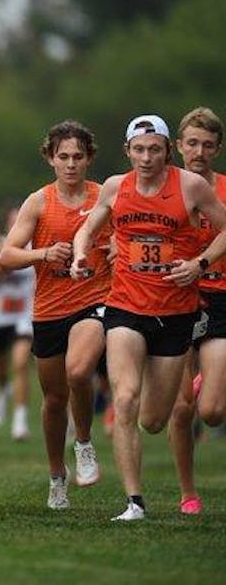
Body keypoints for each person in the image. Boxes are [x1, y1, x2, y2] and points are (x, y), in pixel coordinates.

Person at [72, 114, 226, 521]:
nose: (146, 157)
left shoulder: (190, 186)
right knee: (124, 398)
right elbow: (87, 229)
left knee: (154, 419)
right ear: (127, 152)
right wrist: (78, 253)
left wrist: (200, 262)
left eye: (154, 149)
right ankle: (134, 502)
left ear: (166, 151)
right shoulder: (115, 187)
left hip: (176, 311)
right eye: (138, 150)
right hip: (125, 305)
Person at [0, 120, 110, 509]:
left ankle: (83, 443)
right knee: (53, 400)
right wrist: (42, 254)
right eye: (63, 156)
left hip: (93, 299)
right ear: (50, 158)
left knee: (80, 372)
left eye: (78, 157)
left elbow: (127, 238)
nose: (71, 164)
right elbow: (6, 256)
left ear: (89, 158)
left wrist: (114, 251)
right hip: (49, 309)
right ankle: (56, 475)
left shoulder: (104, 197)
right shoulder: (39, 202)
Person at [167, 107, 226, 515]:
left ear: (218, 149)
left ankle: (211, 379)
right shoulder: (161, 187)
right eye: (192, 143)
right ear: (179, 146)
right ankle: (188, 493)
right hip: (172, 299)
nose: (199, 151)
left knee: (213, 411)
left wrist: (201, 262)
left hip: (219, 295)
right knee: (181, 408)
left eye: (207, 144)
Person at [0, 205, 35, 441]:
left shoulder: (39, 249)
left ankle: (20, 421)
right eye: (14, 223)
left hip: (25, 316)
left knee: (20, 363)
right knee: (1, 369)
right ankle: (3, 390)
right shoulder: (0, 248)